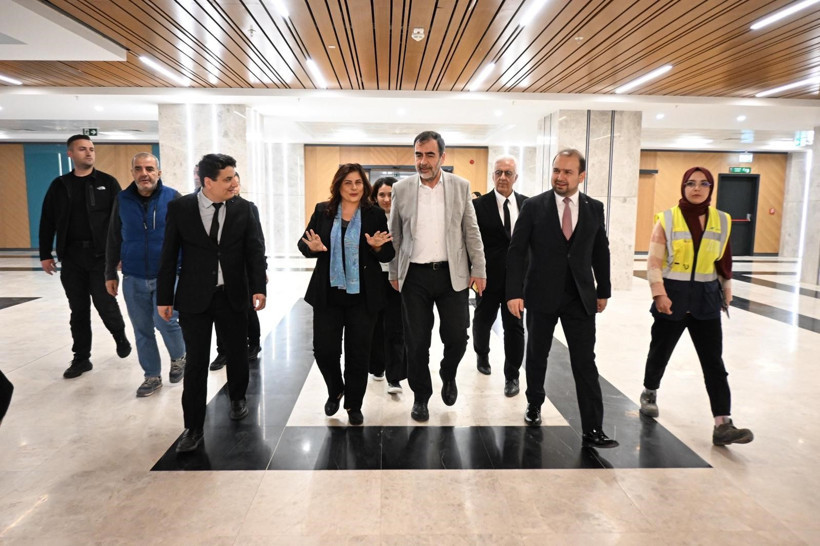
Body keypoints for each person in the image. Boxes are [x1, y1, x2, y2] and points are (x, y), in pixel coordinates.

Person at [506, 148, 617, 448]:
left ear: (581, 176)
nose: (560, 177)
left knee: (585, 362)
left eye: (568, 172)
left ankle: (593, 428)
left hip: (579, 297)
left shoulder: (594, 208)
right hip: (541, 294)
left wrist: (604, 290)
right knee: (537, 354)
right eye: (557, 170)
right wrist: (514, 292)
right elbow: (516, 251)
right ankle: (534, 404)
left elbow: (600, 251)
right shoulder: (533, 206)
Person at [157, 153, 266, 453]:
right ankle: (192, 427)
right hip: (194, 298)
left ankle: (238, 397)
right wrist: (164, 297)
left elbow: (254, 250)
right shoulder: (180, 208)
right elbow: (168, 254)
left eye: (233, 177)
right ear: (208, 182)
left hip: (233, 294)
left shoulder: (245, 208)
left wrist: (259, 287)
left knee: (237, 352)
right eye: (227, 179)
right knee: (196, 363)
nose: (234, 183)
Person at [639, 166, 754, 447]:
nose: (697, 188)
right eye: (690, 183)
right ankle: (649, 391)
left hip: (706, 300)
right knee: (660, 351)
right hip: (673, 298)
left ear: (711, 188)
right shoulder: (667, 219)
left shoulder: (722, 220)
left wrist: (727, 291)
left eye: (703, 184)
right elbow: (654, 262)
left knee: (714, 362)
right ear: (683, 187)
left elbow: (724, 261)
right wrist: (659, 294)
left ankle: (723, 423)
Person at [389, 131, 486, 422]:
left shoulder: (460, 186)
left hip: (451, 275)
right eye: (418, 155)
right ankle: (421, 396)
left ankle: (448, 371)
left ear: (442, 157)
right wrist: (394, 271)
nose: (423, 161)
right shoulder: (401, 189)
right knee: (416, 341)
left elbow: (471, 231)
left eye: (429, 155)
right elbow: (395, 235)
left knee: (457, 337)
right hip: (414, 276)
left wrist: (479, 269)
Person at [298, 164, 395, 426]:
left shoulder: (374, 213)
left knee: (358, 354)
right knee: (324, 350)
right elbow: (304, 244)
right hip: (328, 293)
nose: (354, 188)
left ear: (365, 185)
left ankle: (354, 404)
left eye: (358, 183)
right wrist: (314, 248)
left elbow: (388, 253)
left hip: (363, 296)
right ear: (338, 185)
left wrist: (377, 248)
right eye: (348, 183)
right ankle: (335, 389)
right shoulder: (323, 210)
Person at [39, 134, 131, 379]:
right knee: (78, 310)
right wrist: (45, 253)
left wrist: (120, 253)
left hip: (101, 256)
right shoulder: (60, 185)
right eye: (82, 149)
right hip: (72, 257)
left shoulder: (107, 182)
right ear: (70, 153)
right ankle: (81, 358)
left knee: (105, 303)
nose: (89, 152)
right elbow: (47, 220)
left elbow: (121, 220)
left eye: (91, 149)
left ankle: (119, 336)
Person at [105, 152, 186, 397]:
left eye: (149, 169)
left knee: (166, 321)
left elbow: (185, 237)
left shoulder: (173, 198)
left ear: (158, 172)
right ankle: (151, 376)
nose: (144, 174)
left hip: (167, 275)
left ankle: (179, 357)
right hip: (133, 276)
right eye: (139, 169)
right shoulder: (122, 199)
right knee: (142, 329)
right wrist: (110, 272)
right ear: (132, 173)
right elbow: (113, 236)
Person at [472, 155, 528, 396]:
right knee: (483, 320)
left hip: (517, 280)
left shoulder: (528, 205)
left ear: (516, 177)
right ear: (492, 176)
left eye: (508, 173)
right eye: (498, 172)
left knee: (514, 327)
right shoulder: (478, 205)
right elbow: (471, 242)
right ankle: (482, 354)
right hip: (487, 277)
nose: (503, 177)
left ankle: (512, 376)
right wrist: (473, 272)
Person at [208, 171, 265, 371]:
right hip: (217, 273)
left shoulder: (248, 208)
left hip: (243, 271)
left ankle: (254, 343)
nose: (233, 186)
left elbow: (258, 242)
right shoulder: (207, 207)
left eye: (236, 183)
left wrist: (261, 270)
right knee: (218, 312)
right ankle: (222, 351)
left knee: (247, 309)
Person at [368, 176, 407, 394]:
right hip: (374, 278)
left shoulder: (405, 216)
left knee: (396, 327)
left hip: (399, 279)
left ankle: (395, 377)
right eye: (381, 195)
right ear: (374, 197)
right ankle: (377, 366)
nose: (386, 199)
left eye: (390, 195)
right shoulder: (369, 218)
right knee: (374, 326)